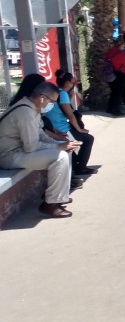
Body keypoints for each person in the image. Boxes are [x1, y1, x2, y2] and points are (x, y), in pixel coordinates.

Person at [0, 82, 82, 218]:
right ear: (42, 98)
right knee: (60, 156)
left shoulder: (32, 108)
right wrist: (57, 147)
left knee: (66, 149)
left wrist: (62, 143)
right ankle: (50, 204)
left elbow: (41, 135)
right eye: (52, 102)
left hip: (19, 152)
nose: (52, 105)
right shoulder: (25, 112)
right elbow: (31, 146)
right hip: (8, 156)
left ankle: (59, 195)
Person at [44, 71, 96, 176]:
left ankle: (75, 163)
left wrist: (71, 97)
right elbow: (70, 115)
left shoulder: (56, 92)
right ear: (67, 83)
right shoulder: (62, 94)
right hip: (62, 130)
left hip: (52, 128)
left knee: (77, 141)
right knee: (88, 138)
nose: (73, 85)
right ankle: (81, 168)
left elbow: (62, 108)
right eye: (72, 82)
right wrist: (79, 130)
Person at [105, 37, 125, 116]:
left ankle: (109, 108)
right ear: (120, 44)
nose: (124, 46)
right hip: (120, 74)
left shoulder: (110, 52)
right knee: (118, 92)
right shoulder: (121, 54)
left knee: (113, 92)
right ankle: (116, 110)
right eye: (123, 44)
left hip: (110, 73)